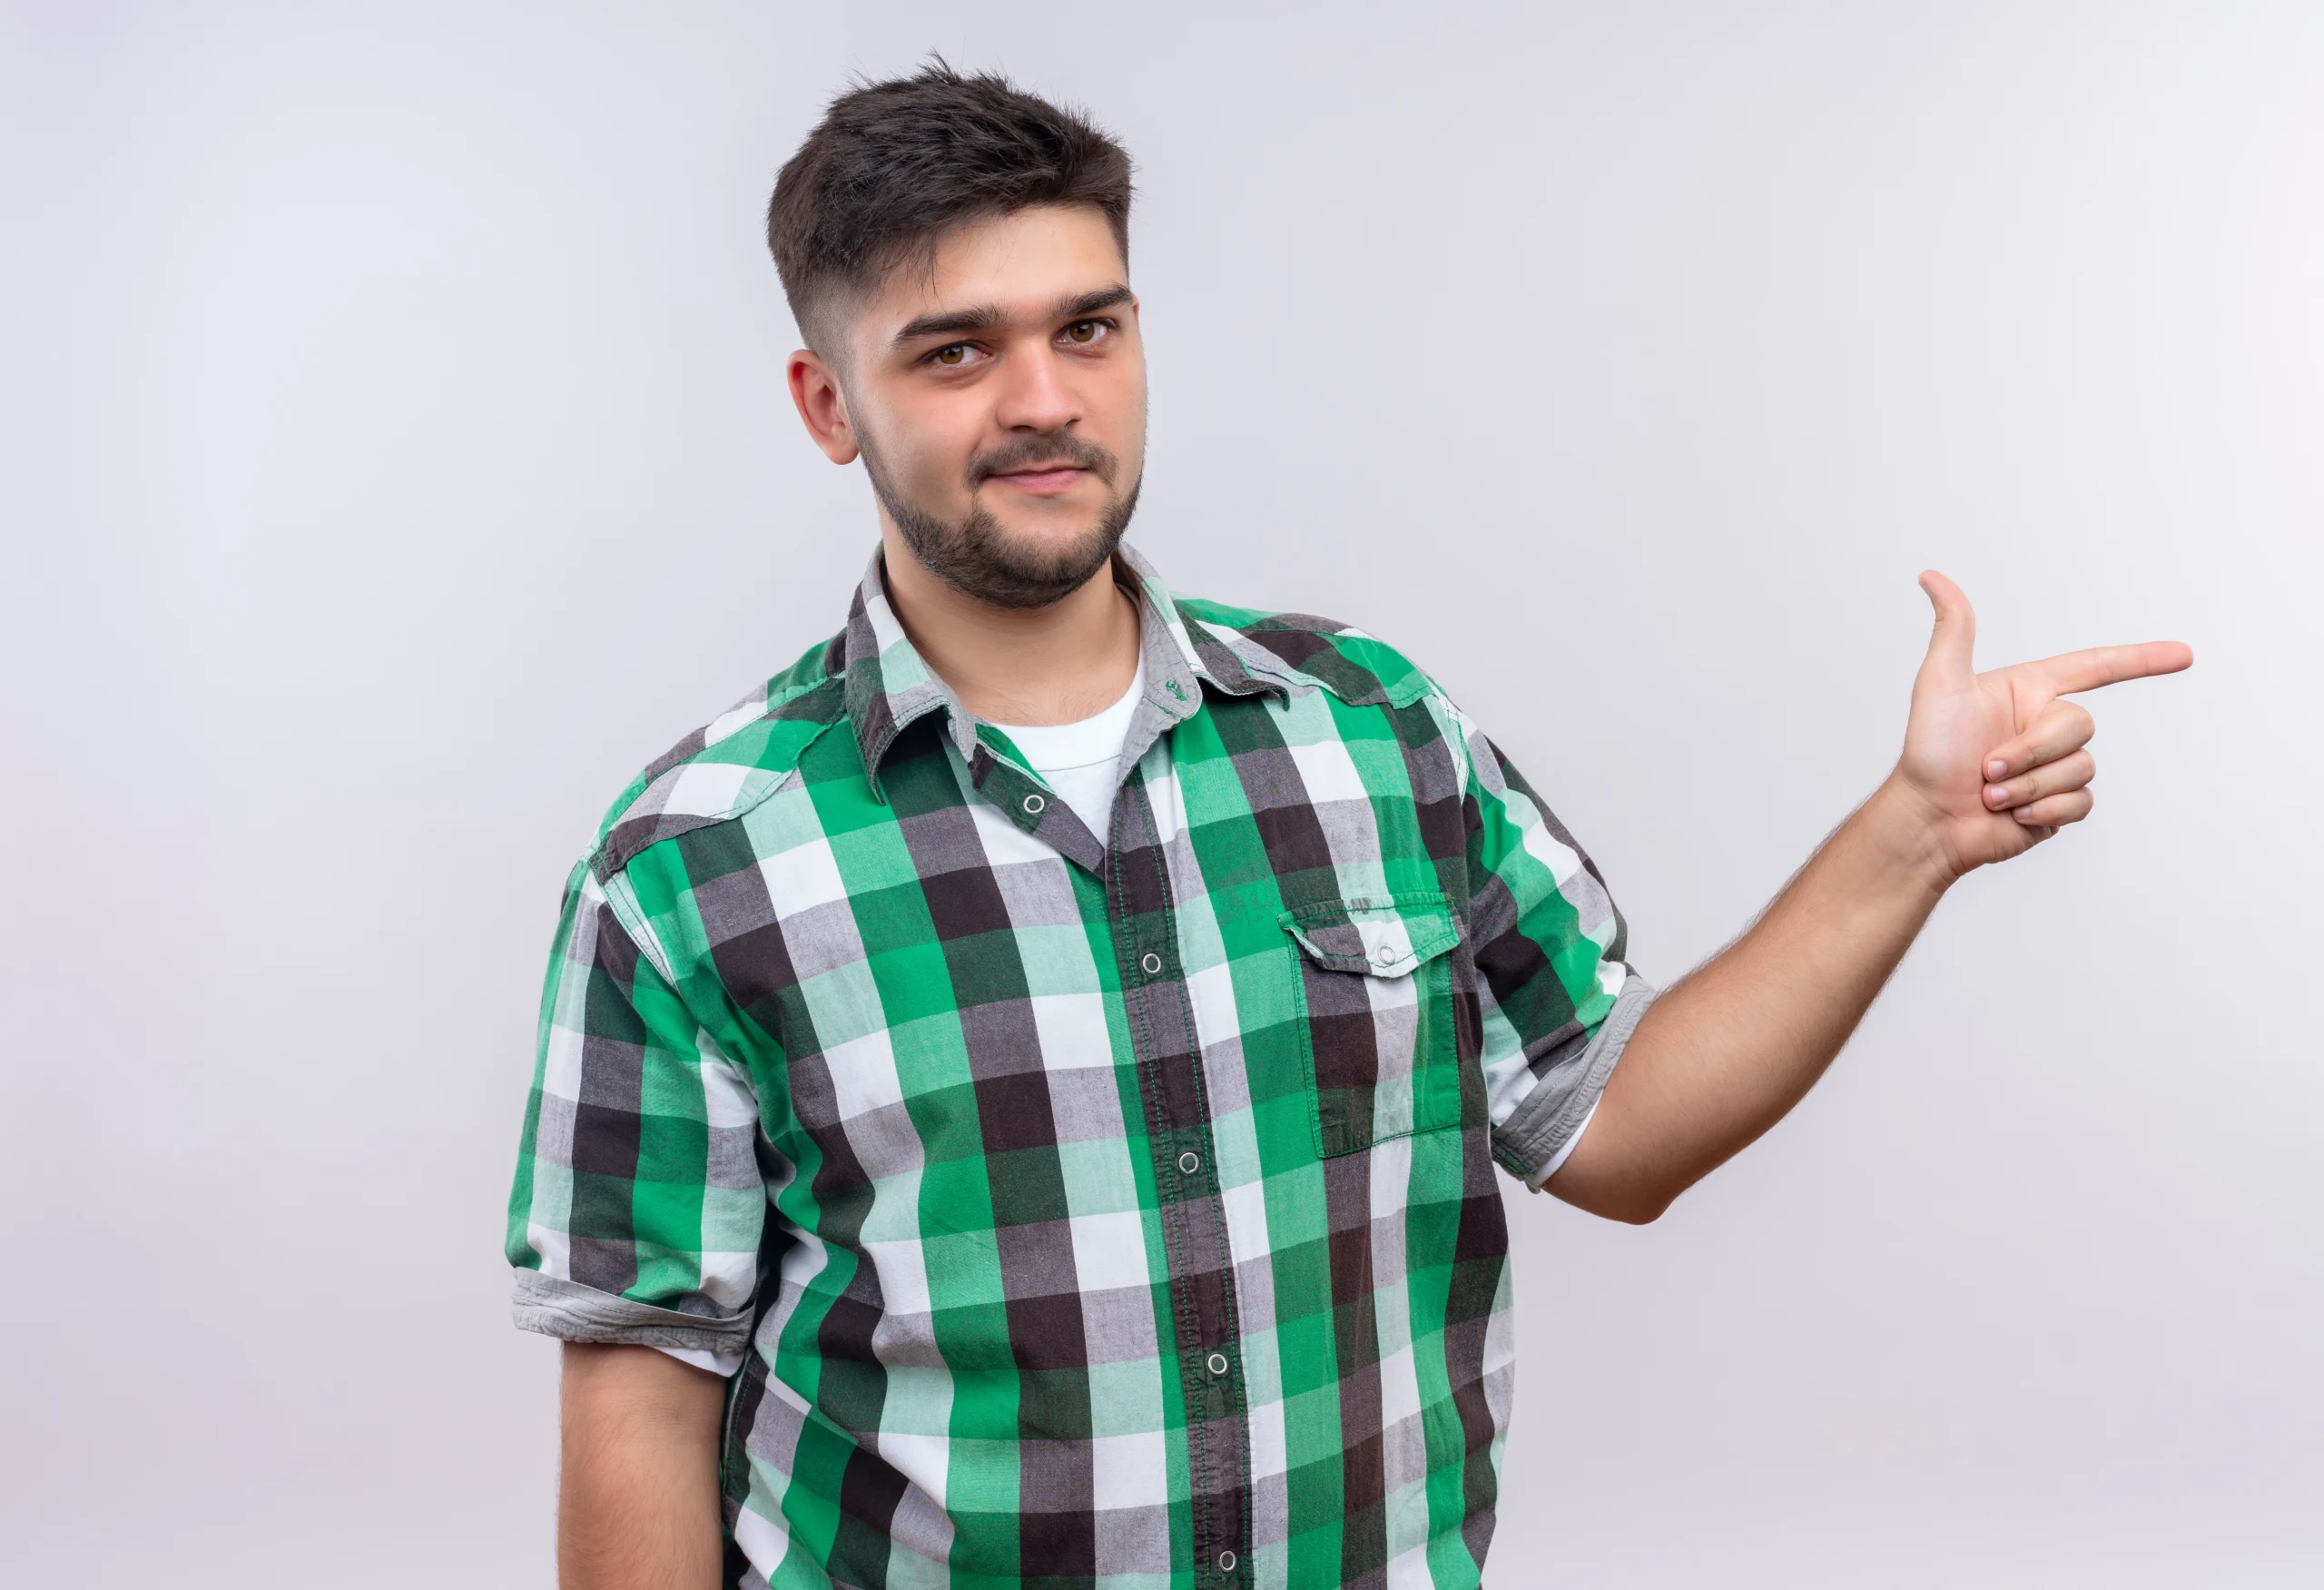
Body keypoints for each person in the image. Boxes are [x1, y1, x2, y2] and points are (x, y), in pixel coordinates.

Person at [503, 63, 2191, 1590]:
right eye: (957, 351)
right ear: (826, 404)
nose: (1043, 399)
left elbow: (1620, 1131)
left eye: (1088, 328)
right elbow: (647, 1390)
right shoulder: (692, 865)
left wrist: (1915, 832)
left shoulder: (1372, 729)